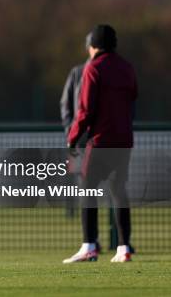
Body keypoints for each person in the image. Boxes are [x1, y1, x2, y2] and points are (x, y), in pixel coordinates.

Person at [63, 24, 137, 264]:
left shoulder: (93, 69)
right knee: (118, 191)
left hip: (100, 140)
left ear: (93, 46)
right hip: (124, 139)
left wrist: (73, 138)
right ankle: (124, 248)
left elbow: (85, 110)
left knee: (87, 188)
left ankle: (89, 245)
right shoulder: (127, 68)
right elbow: (133, 98)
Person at [59, 33, 92, 219]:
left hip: (100, 140)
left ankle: (116, 238)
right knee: (83, 183)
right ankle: (88, 236)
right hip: (80, 140)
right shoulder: (78, 72)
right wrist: (71, 131)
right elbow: (65, 104)